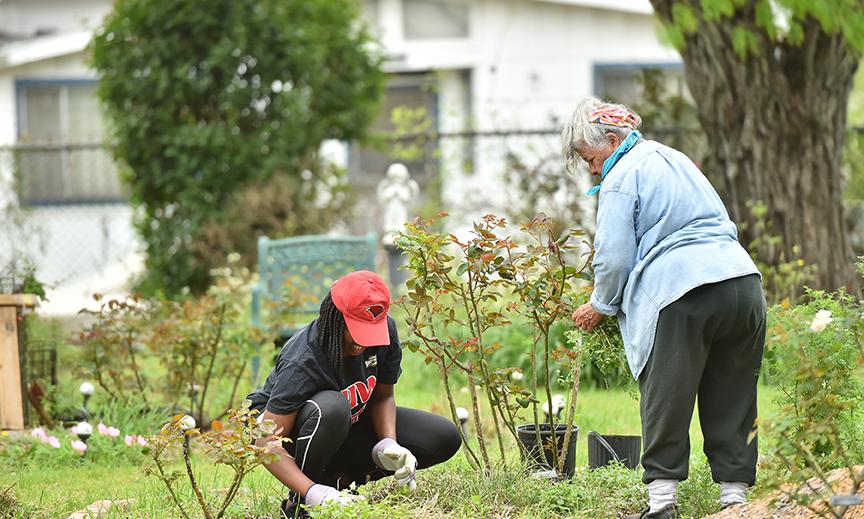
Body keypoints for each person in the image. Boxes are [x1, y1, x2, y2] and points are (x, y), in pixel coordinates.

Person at [562, 97, 766, 519]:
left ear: (613, 141)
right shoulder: (674, 158)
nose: (592, 169)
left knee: (666, 396)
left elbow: (614, 256)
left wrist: (601, 303)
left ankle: (662, 504)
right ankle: (735, 501)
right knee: (735, 394)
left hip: (682, 290)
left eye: (589, 158)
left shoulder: (622, 175)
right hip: (742, 283)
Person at [247, 270, 461, 517]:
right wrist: (313, 491)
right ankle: (303, 501)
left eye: (371, 333)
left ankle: (342, 481)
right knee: (333, 407)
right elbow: (265, 441)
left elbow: (383, 397)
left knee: (443, 437)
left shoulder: (384, 335)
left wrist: (387, 443)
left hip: (348, 425)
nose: (363, 344)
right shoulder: (303, 359)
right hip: (298, 434)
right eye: (357, 332)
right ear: (336, 318)